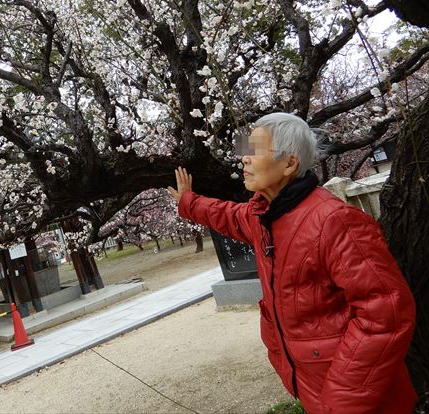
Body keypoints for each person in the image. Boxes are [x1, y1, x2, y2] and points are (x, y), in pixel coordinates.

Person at [168, 112, 417, 414]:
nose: (243, 159)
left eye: (254, 151)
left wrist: (342, 400)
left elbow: (385, 314)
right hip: (313, 383)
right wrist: (189, 202)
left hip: (359, 398)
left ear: (289, 163)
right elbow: (227, 215)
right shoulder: (264, 216)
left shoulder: (336, 221)